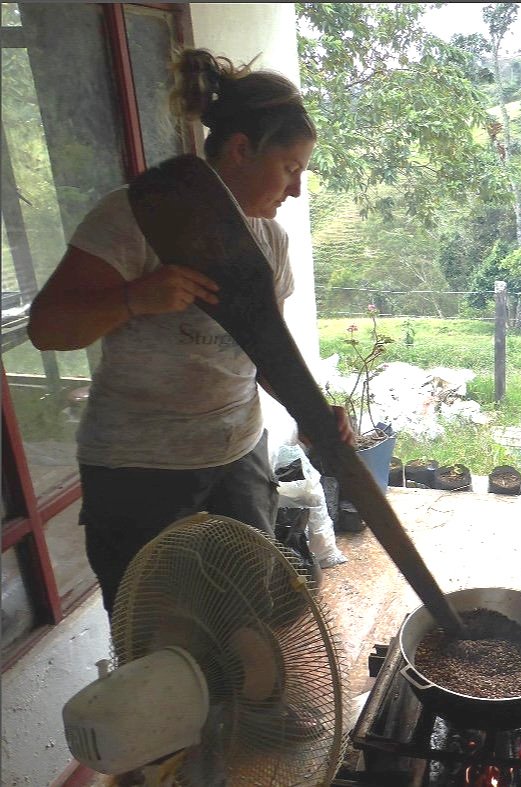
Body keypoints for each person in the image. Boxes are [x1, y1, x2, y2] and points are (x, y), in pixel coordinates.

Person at [27, 48, 353, 618]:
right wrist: (135, 298)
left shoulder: (269, 242)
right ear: (240, 149)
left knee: (244, 610)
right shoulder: (133, 218)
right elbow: (48, 328)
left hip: (238, 454)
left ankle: (239, 707)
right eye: (290, 168)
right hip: (139, 468)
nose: (296, 190)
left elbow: (264, 347)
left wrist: (309, 411)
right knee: (154, 624)